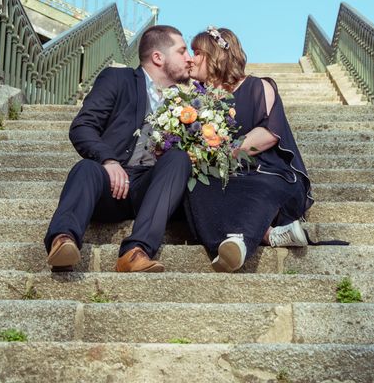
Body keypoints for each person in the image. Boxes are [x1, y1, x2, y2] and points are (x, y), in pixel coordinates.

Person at [43, 25, 193, 272]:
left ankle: (136, 252)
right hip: (110, 187)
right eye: (182, 51)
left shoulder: (188, 105)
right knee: (86, 169)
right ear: (158, 57)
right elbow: (82, 127)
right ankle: (63, 240)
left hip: (151, 189)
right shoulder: (118, 79)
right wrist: (109, 161)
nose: (188, 58)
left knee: (179, 159)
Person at [185, 27, 314, 272]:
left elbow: (268, 134)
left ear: (215, 55)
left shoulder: (258, 86)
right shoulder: (195, 100)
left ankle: (239, 241)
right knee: (196, 186)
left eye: (197, 52)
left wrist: (226, 150)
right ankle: (266, 236)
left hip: (265, 170)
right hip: (222, 173)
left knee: (260, 185)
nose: (190, 58)